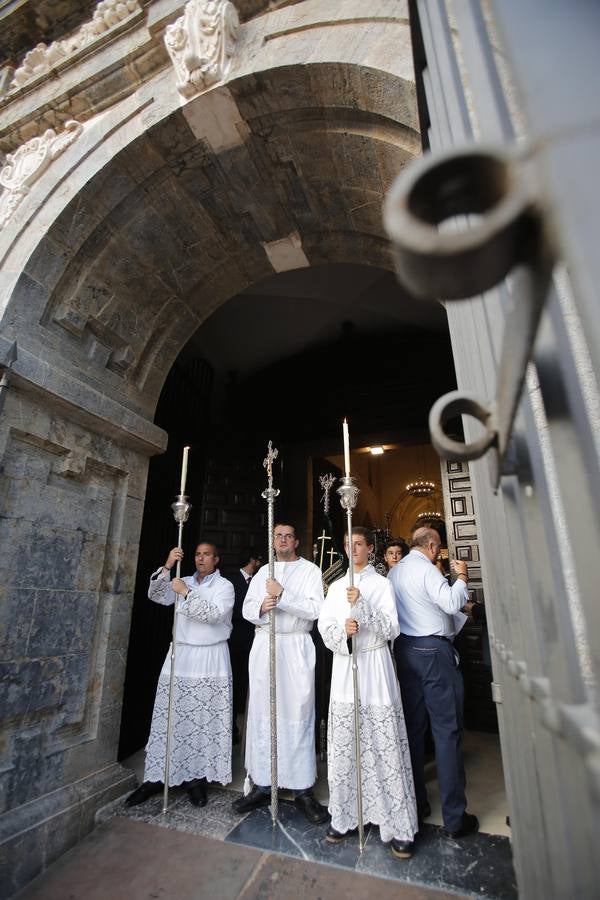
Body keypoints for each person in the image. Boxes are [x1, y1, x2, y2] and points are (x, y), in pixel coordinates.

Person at [318, 526, 418, 859]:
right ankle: (345, 816)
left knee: (380, 738)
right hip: (346, 667)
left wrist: (363, 609)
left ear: (370, 548)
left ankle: (397, 825)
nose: (353, 549)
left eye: (359, 544)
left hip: (375, 665)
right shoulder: (334, 588)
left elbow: (392, 628)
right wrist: (341, 633)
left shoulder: (381, 585)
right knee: (347, 741)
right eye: (348, 544)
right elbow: (324, 627)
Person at [125, 541, 235, 808]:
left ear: (216, 559)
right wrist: (167, 566)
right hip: (181, 654)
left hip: (210, 657)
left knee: (202, 718)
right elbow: (157, 595)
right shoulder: (181, 579)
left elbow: (214, 615)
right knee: (172, 715)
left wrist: (185, 593)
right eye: (197, 554)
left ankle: (196, 779)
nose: (200, 558)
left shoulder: (225, 587)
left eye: (206, 554)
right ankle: (156, 777)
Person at [232, 522, 328, 824]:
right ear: (272, 542)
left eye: (288, 536)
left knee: (297, 713)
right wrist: (262, 603)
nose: (283, 540)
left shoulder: (310, 570)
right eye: (278, 536)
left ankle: (302, 789)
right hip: (265, 646)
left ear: (296, 541)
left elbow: (315, 609)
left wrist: (283, 595)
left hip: (295, 648)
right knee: (263, 712)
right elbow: (246, 610)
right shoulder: (263, 573)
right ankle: (262, 782)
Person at [389, 526, 478, 838]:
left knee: (414, 729)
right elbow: (451, 603)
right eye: (438, 547)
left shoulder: (395, 573)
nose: (438, 552)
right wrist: (463, 577)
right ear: (429, 545)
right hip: (432, 653)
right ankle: (455, 817)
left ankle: (417, 803)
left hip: (405, 650)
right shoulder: (427, 571)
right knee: (447, 730)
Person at [228, 549, 262, 743]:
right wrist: (253, 613)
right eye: (258, 559)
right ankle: (232, 728)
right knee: (235, 684)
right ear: (252, 559)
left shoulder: (259, 580)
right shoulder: (232, 581)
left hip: (254, 640)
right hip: (236, 640)